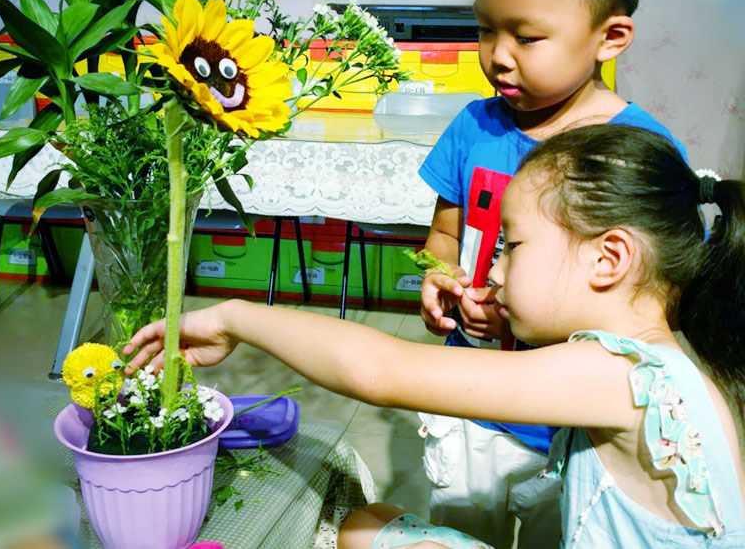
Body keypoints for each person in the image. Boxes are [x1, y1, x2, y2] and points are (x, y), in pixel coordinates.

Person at [124, 124, 745, 548]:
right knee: (372, 525)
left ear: (608, 259)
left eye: (514, 245)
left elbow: (380, 372)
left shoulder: (618, 374)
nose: (495, 267)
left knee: (362, 531)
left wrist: (235, 315)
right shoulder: (677, 359)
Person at [416, 0, 687, 546]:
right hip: (470, 404)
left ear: (609, 37)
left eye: (528, 37)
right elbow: (444, 234)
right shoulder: (472, 127)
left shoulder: (636, 151)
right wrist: (439, 281)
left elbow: (648, 309)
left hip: (572, 424)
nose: (498, 57)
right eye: (486, 29)